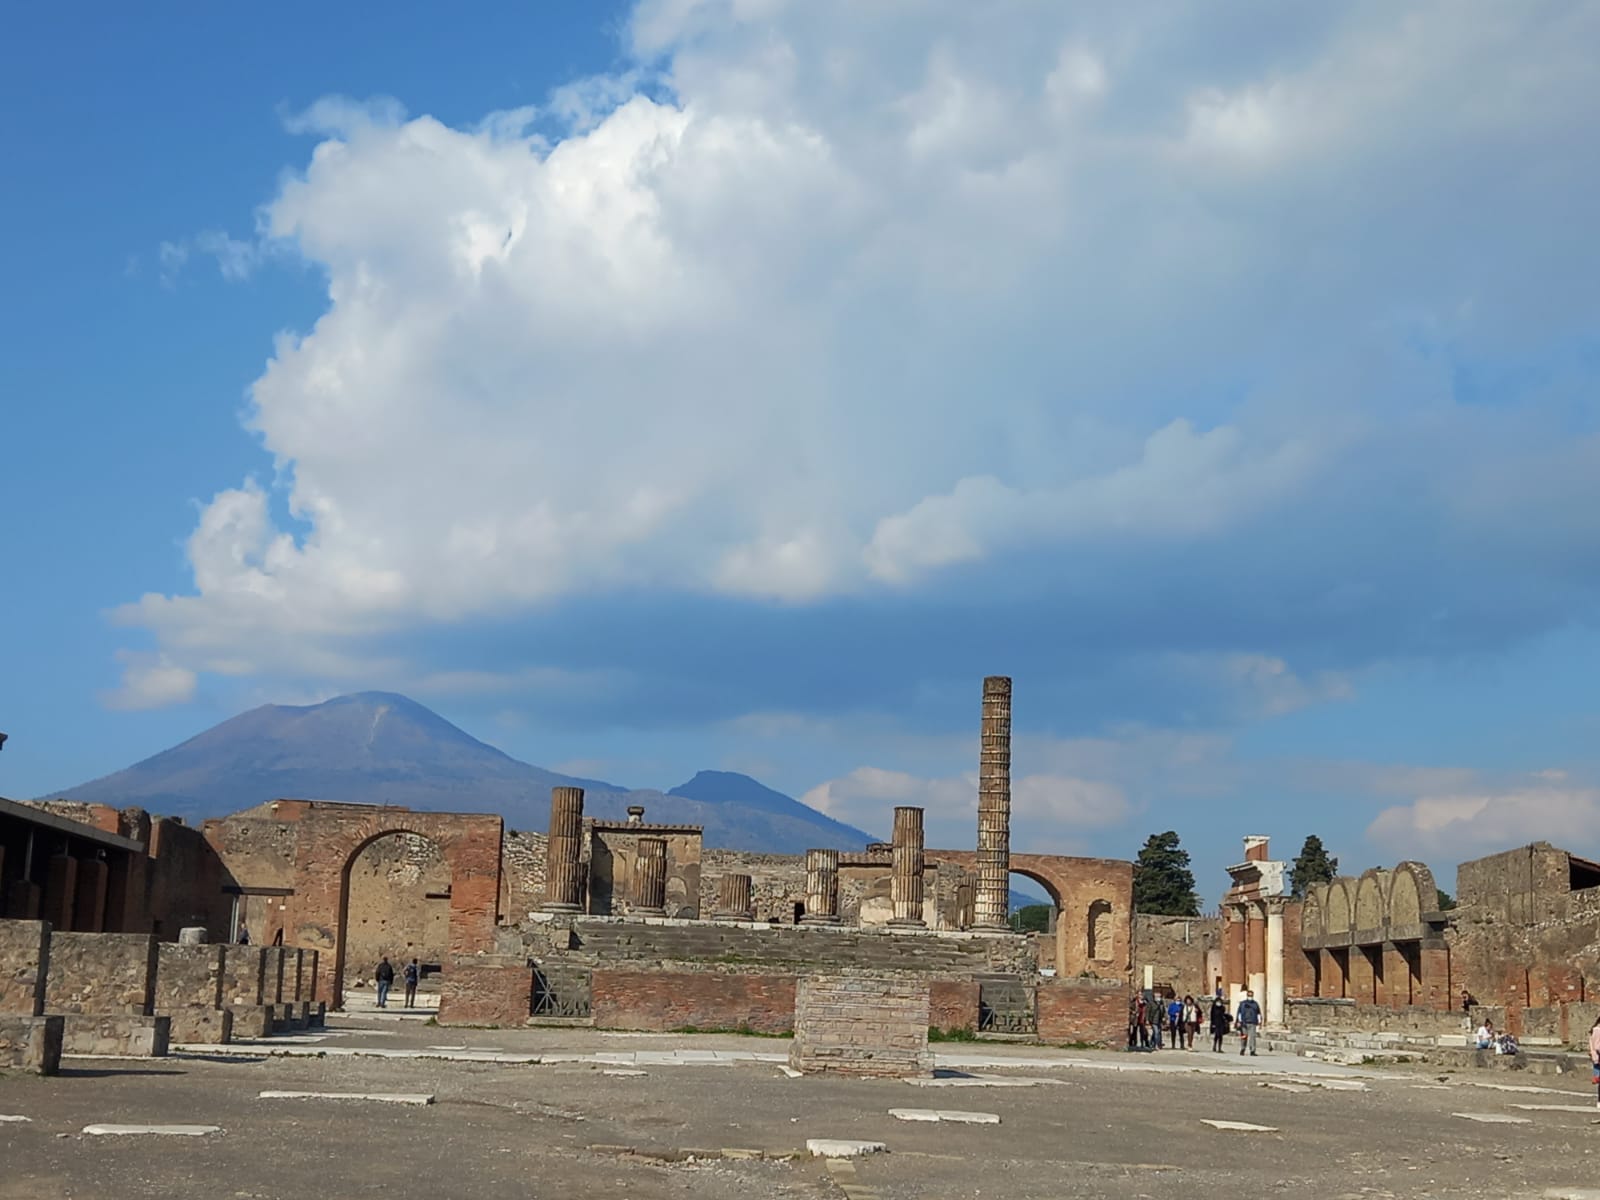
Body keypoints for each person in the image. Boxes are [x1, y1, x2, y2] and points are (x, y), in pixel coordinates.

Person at [1235, 988, 1262, 1056]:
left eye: (1251, 995)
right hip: (1244, 1022)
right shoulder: (1243, 1003)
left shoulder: (1255, 1004)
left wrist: (1259, 1020)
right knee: (1244, 1036)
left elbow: (1258, 1013)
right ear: (1247, 996)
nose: (1250, 997)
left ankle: (1252, 1050)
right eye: (1249, 995)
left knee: (1252, 1037)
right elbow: (1239, 1013)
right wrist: (1238, 1021)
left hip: (1252, 1022)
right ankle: (1242, 1049)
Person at [1589, 1016, 1600, 1111]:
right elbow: (1597, 1046)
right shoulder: (1598, 1030)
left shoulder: (1594, 1030)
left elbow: (1592, 1045)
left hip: (1595, 1057)